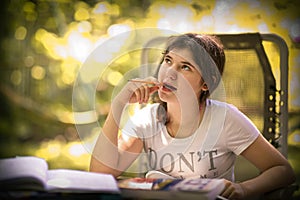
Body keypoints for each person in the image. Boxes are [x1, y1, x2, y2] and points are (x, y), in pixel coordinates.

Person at [90, 33, 295, 199]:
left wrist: (244, 189)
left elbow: (282, 170)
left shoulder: (225, 119)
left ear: (206, 82)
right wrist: (118, 105)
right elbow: (100, 175)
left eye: (185, 67)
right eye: (168, 60)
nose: (169, 72)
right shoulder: (147, 120)